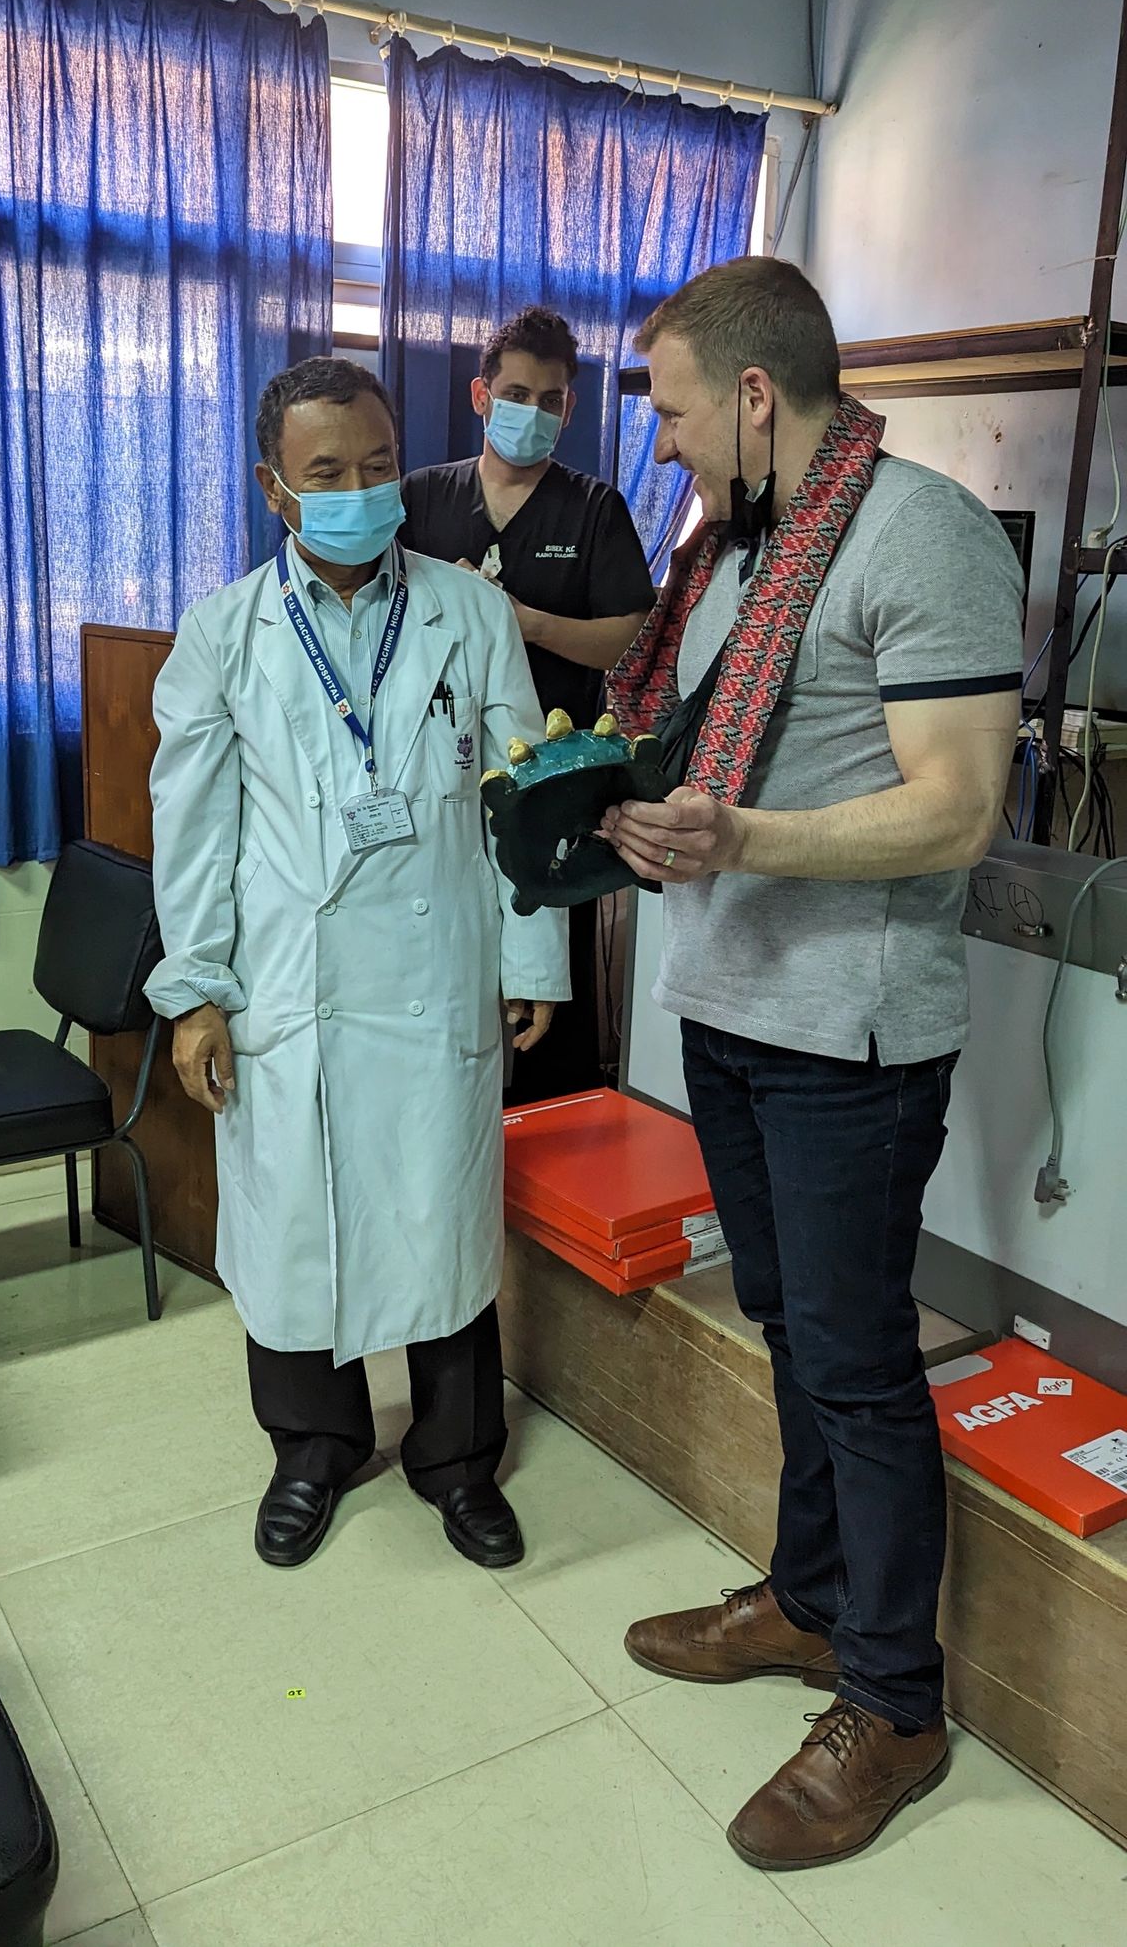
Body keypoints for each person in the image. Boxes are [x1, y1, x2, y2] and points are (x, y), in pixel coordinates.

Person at [600, 258, 1022, 1870]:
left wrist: (743, 834)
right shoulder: (737, 551)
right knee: (790, 1329)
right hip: (729, 1003)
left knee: (855, 1360)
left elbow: (960, 805)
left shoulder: (923, 537)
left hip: (848, 1032)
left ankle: (897, 1703)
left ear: (759, 397)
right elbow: (703, 749)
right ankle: (810, 1603)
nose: (671, 443)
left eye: (684, 409)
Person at [145, 356, 569, 1573]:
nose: (359, 491)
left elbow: (521, 793)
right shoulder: (224, 633)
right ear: (276, 489)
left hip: (436, 968)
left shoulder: (466, 608)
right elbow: (194, 834)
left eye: (379, 467)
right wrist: (194, 993)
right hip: (290, 984)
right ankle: (311, 1447)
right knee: (292, 1224)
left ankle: (454, 1457)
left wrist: (531, 948)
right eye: (327, 473)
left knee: (439, 1213)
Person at [401, 306, 654, 1099]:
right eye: (517, 393)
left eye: (551, 400)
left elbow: (623, 638)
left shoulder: (593, 509)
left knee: (544, 977)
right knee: (440, 958)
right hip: (436, 774)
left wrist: (520, 623)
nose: (534, 413)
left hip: (556, 782)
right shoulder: (424, 497)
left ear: (570, 408)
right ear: (481, 396)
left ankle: (549, 1144)